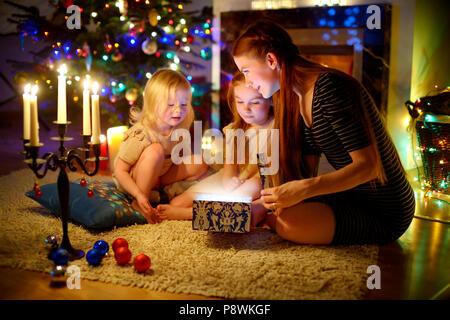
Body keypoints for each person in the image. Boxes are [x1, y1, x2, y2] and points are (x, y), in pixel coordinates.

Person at [232, 21, 415, 245]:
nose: (248, 82)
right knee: (283, 212)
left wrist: (302, 191)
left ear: (271, 60)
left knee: (290, 223)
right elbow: (306, 169)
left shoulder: (330, 88)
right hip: (350, 194)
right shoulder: (294, 96)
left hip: (383, 209)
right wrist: (268, 202)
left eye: (246, 71)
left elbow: (369, 167)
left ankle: (271, 220)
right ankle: (268, 216)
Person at [156, 72, 274, 226]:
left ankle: (190, 214)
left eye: (255, 103)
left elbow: (269, 176)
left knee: (247, 192)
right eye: (240, 102)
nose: (246, 109)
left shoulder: (275, 128)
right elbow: (228, 172)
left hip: (260, 184)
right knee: (177, 202)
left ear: (270, 99)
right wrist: (229, 183)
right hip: (235, 179)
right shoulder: (235, 130)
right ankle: (212, 206)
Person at [113, 69, 208, 224]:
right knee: (155, 150)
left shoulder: (178, 128)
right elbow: (119, 171)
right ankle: (142, 202)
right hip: (134, 180)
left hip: (160, 174)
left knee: (199, 161)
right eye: (170, 104)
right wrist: (138, 193)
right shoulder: (141, 134)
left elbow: (179, 157)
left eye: (183, 104)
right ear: (152, 104)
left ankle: (160, 191)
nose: (178, 109)